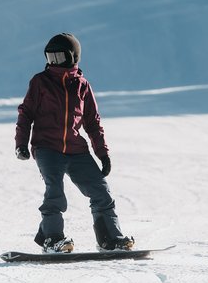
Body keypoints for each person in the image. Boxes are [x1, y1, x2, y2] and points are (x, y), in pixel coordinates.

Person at [15, 32, 134, 253]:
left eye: (57, 58)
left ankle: (110, 238)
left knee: (101, 192)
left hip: (76, 149)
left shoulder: (82, 86)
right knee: (55, 193)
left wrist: (103, 154)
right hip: (47, 147)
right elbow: (26, 113)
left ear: (72, 57)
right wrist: (21, 143)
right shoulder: (40, 82)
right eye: (49, 58)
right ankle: (52, 239)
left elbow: (93, 122)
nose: (52, 63)